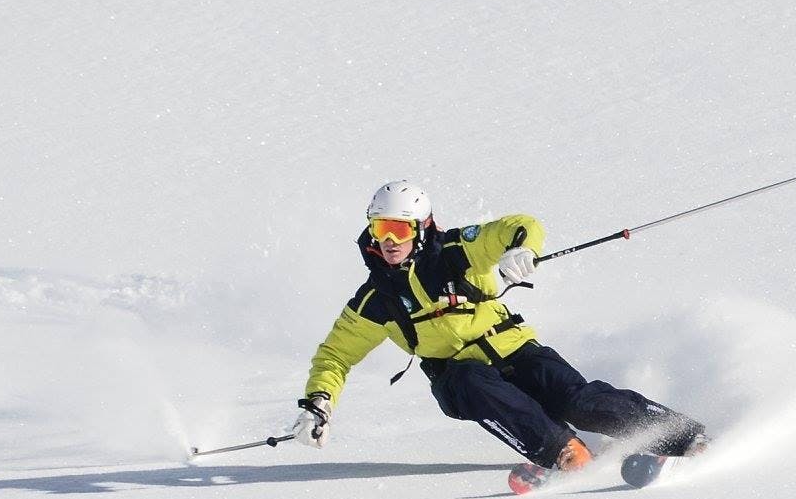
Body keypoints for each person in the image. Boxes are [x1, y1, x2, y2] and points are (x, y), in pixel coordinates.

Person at [291, 180, 706, 478]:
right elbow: (335, 355)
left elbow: (518, 226)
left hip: (514, 349)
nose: (389, 241)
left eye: (398, 229)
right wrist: (318, 403)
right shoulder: (376, 299)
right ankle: (563, 452)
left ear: (420, 228)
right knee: (473, 380)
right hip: (457, 377)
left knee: (578, 402)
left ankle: (682, 436)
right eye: (380, 228)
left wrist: (522, 249)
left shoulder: (456, 251)